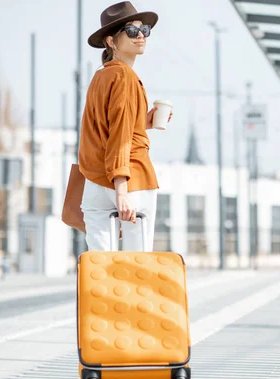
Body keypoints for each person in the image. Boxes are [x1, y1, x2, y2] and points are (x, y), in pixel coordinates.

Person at [78, 1, 171, 251]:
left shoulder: (101, 76)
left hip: (94, 182)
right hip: (131, 180)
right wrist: (121, 191)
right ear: (110, 41)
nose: (140, 35)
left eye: (144, 30)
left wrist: (143, 123)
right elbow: (119, 136)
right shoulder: (126, 77)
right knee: (136, 266)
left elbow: (104, 129)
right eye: (131, 31)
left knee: (99, 267)